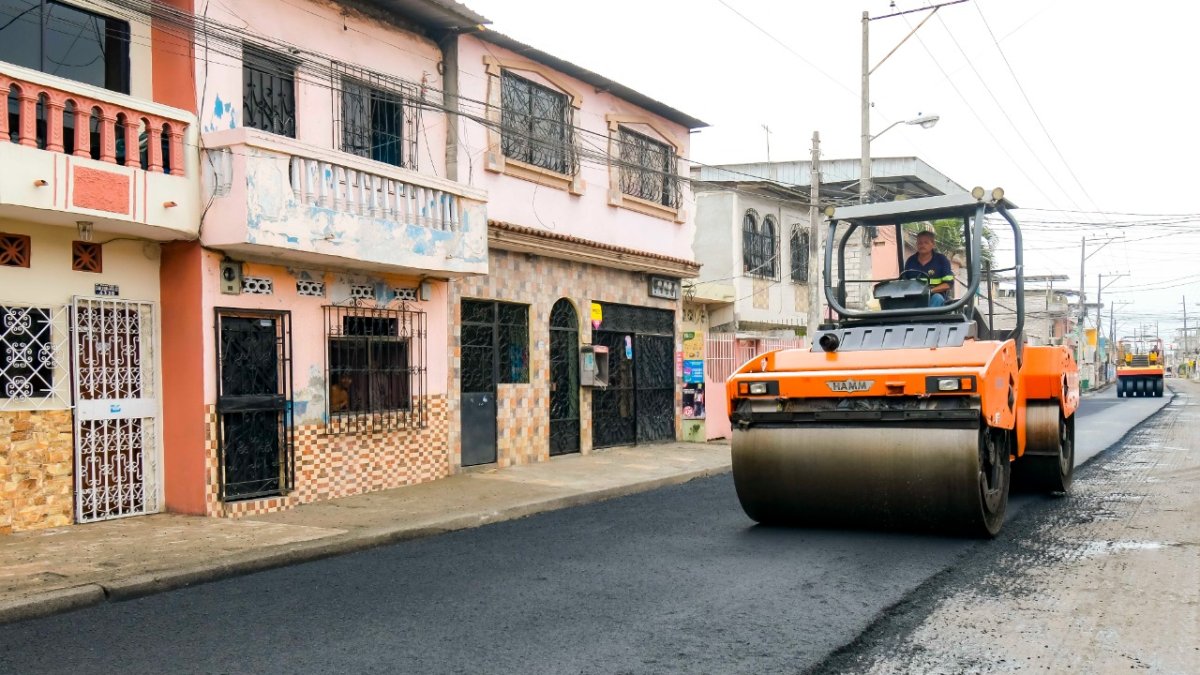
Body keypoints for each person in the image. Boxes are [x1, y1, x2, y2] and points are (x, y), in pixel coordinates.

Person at [904, 230, 954, 307]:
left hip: (935, 296)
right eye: (920, 243)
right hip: (914, 298)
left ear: (933, 245)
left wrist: (929, 291)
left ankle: (927, 319)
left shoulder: (941, 260)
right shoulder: (910, 261)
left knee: (937, 298)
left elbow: (948, 284)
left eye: (926, 242)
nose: (922, 245)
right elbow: (904, 283)